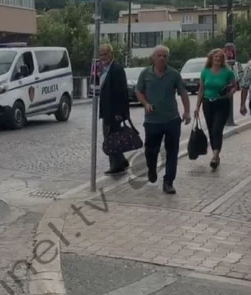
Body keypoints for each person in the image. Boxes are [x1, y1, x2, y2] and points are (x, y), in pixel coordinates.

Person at [136, 45, 191, 194]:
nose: (162, 58)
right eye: (159, 56)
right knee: (150, 150)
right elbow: (138, 91)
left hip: (172, 120)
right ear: (153, 57)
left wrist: (187, 112)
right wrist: (145, 103)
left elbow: (183, 93)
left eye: (164, 56)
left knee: (172, 152)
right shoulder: (145, 74)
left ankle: (168, 182)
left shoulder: (173, 74)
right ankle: (152, 169)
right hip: (152, 121)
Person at [195, 48, 237, 170]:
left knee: (216, 129)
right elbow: (201, 90)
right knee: (211, 129)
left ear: (223, 59)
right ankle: (216, 153)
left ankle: (214, 155)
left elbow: (235, 86)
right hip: (207, 103)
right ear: (211, 58)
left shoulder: (227, 72)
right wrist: (197, 107)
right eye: (216, 57)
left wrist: (230, 93)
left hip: (222, 103)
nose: (218, 59)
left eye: (220, 57)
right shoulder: (205, 72)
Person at [97, 44, 130, 175]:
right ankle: (121, 161)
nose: (102, 57)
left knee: (110, 138)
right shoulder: (104, 69)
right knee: (112, 137)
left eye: (105, 54)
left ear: (111, 54)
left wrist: (119, 113)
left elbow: (122, 92)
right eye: (100, 54)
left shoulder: (116, 69)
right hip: (107, 111)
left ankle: (115, 165)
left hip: (114, 112)